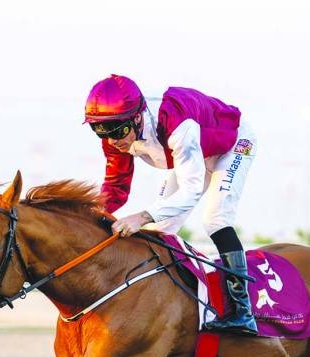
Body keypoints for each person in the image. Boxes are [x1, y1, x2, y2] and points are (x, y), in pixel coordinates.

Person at [84, 74, 258, 336]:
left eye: (118, 132)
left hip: (232, 145)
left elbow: (190, 191)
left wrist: (140, 217)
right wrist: (90, 214)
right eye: (100, 132)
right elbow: (116, 188)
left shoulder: (176, 123)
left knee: (215, 218)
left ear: (137, 118)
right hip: (192, 152)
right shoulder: (114, 134)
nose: (111, 141)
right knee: (161, 228)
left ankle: (243, 311)